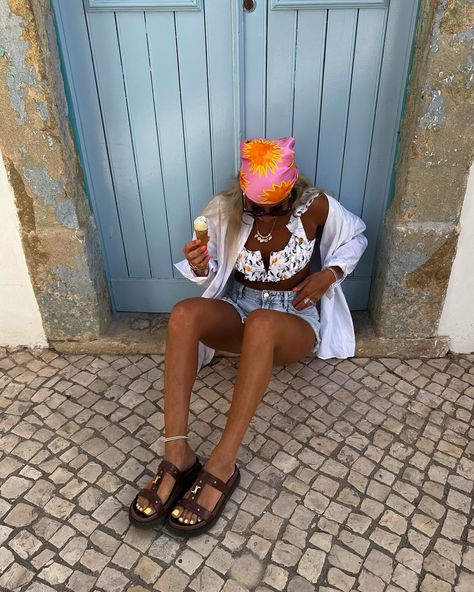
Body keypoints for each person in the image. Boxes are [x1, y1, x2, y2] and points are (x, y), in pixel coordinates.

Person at [129, 136, 368, 537]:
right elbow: (213, 270)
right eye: (258, 206)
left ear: (293, 189)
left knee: (262, 321)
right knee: (184, 314)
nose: (268, 212)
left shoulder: (316, 205)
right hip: (239, 309)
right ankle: (177, 453)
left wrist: (329, 274)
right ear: (244, 192)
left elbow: (356, 236)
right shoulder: (226, 210)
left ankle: (223, 462)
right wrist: (200, 264)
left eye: (278, 205)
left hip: (292, 319)